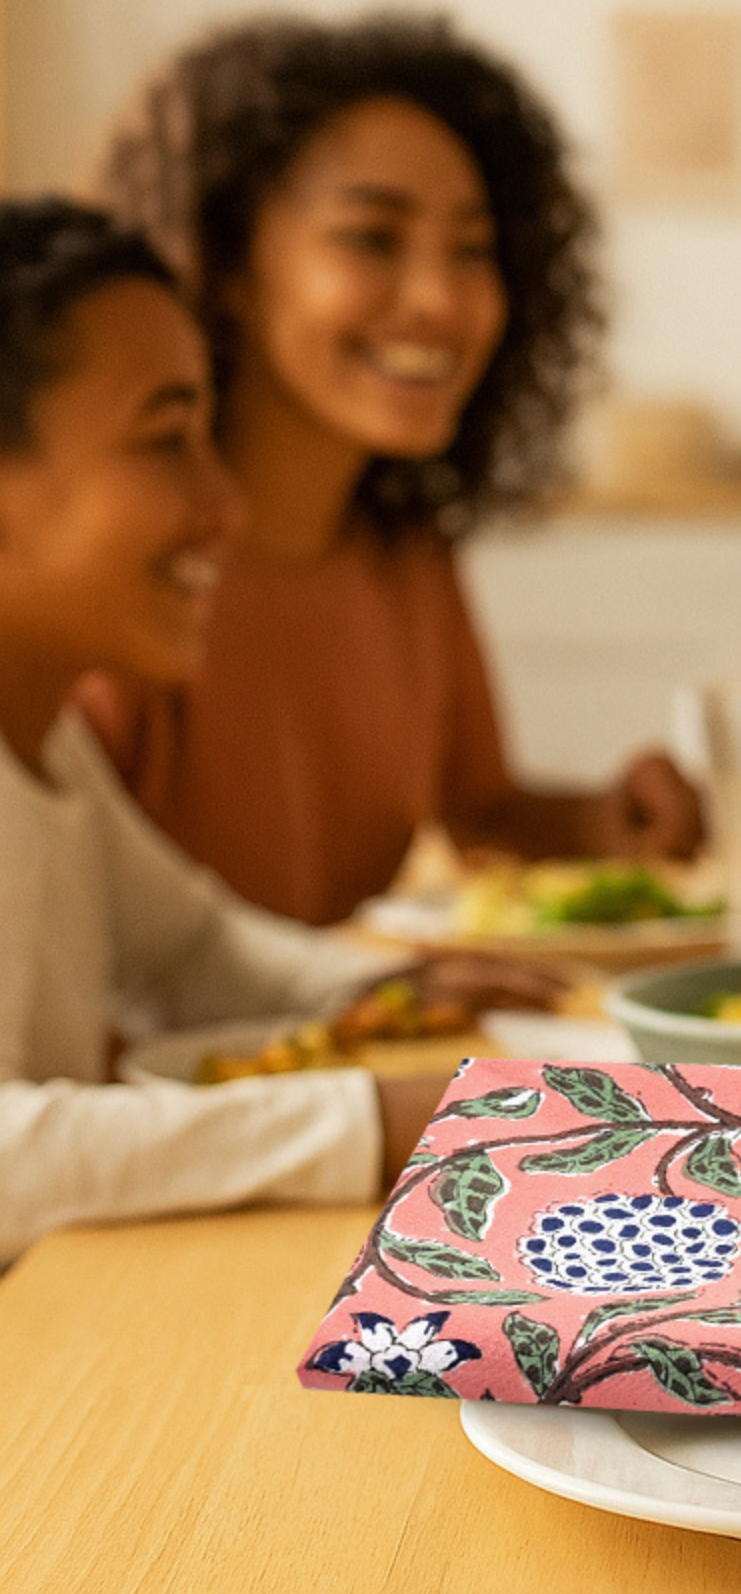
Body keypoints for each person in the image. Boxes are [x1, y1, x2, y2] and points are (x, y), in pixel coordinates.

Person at [78, 16, 704, 924]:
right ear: (224, 266)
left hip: (327, 1052)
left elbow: (479, 813)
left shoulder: (405, 555)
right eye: (372, 238)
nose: (442, 300)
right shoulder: (121, 566)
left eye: (473, 250)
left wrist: (604, 819)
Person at [0, 199, 527, 1264]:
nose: (222, 505)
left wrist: (380, 987)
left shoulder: (42, 735)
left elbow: (186, 944)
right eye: (166, 441)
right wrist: (368, 1120)